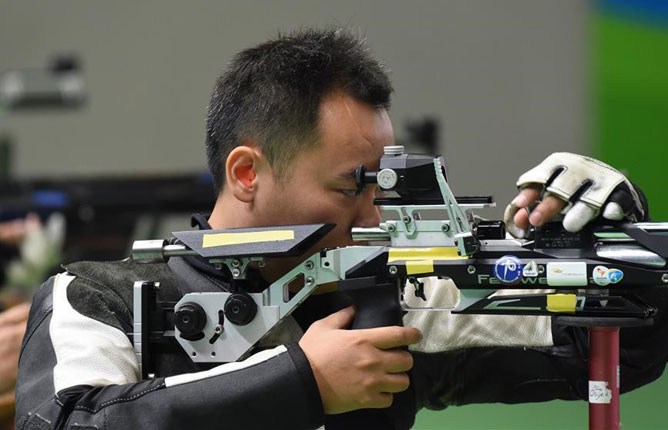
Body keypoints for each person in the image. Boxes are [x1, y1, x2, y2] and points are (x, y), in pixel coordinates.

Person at [15, 29, 667, 430]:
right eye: (350, 186)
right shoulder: (96, 298)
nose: (375, 215)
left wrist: (615, 232)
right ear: (246, 173)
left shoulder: (394, 302)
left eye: (381, 187)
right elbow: (65, 423)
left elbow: (615, 347)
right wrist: (303, 383)